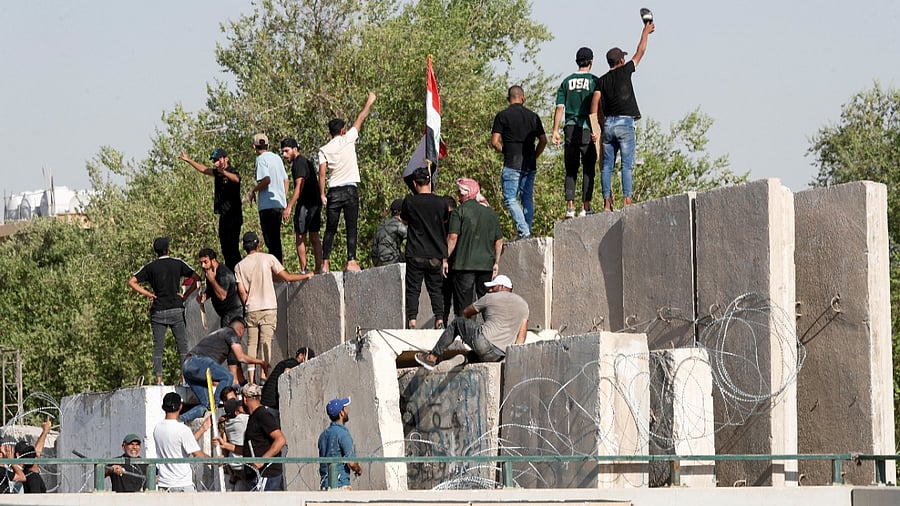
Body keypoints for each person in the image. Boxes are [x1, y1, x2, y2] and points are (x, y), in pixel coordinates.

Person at [235, 231, 312, 384]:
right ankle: (263, 376)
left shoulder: (239, 266)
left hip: (251, 309)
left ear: (244, 247)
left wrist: (248, 304)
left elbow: (242, 291)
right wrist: (306, 275)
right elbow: (287, 277)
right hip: (268, 306)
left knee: (251, 344)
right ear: (258, 244)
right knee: (266, 342)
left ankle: (251, 380)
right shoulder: (268, 259)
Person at [594, 21, 655, 211]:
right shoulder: (626, 70)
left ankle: (606, 204)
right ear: (621, 61)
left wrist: (600, 123)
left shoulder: (602, 80)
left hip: (609, 124)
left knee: (607, 167)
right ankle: (627, 201)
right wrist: (645, 32)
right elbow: (640, 52)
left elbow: (596, 103)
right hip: (625, 123)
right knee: (626, 166)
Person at [127, 237, 201, 385]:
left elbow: (131, 281)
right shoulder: (177, 263)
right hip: (176, 308)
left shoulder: (150, 267)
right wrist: (185, 295)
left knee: (158, 347)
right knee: (182, 345)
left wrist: (148, 294)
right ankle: (184, 379)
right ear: (168, 249)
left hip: (158, 310)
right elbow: (197, 278)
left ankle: (159, 380)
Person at [415, 275, 528, 370]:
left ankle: (432, 357)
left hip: (484, 342)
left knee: (457, 323)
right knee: (477, 355)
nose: (489, 290)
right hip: (499, 355)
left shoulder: (490, 297)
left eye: (492, 287)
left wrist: (465, 331)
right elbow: (521, 337)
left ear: (502, 287)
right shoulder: (523, 305)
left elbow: (466, 312)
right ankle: (463, 359)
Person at [318, 92, 377, 273]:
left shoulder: (324, 149)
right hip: (350, 189)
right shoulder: (348, 139)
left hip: (334, 191)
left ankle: (325, 262)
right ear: (343, 130)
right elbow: (361, 117)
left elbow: (322, 174)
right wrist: (369, 101)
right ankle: (351, 261)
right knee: (352, 227)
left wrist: (322, 194)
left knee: (330, 228)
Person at [179, 317, 270, 423]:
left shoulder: (220, 334)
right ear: (241, 330)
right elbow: (241, 357)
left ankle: (179, 420)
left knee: (206, 406)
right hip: (196, 361)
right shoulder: (231, 333)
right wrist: (261, 362)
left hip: (187, 367)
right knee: (228, 376)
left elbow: (232, 362)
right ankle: (216, 404)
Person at [491, 85, 547, 239]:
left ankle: (524, 231)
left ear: (509, 99)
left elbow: (495, 141)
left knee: (510, 198)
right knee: (527, 198)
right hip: (529, 164)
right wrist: (534, 155)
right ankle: (526, 231)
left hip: (511, 163)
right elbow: (543, 140)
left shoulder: (502, 116)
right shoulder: (533, 116)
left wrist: (505, 151)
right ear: (523, 98)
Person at [551, 47, 601, 219]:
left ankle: (569, 207)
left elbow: (559, 108)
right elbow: (598, 108)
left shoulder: (566, 82)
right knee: (588, 169)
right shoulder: (595, 81)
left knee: (571, 169)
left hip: (570, 128)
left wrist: (555, 130)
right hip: (587, 128)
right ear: (591, 62)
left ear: (576, 61)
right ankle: (585, 207)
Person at [401, 167, 450, 329]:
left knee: (413, 289)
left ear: (415, 183)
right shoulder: (441, 202)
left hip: (415, 253)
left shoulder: (410, 201)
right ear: (430, 181)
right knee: (436, 289)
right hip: (436, 253)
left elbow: (404, 220)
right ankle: (440, 320)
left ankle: (412, 321)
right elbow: (444, 220)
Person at [446, 179, 503, 314]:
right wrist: (496, 263)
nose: (458, 196)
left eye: (459, 193)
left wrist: (444, 259)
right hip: (486, 265)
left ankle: (466, 332)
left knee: (465, 306)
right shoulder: (491, 213)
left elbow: (453, 238)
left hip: (464, 265)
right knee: (486, 304)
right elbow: (499, 241)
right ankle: (489, 330)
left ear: (465, 194)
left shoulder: (458, 212)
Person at [180, 149, 243, 270]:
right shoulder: (217, 172)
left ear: (225, 158)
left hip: (233, 215)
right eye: (214, 161)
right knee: (225, 248)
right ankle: (231, 273)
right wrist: (188, 160)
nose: (216, 163)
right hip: (224, 215)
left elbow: (237, 179)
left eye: (218, 160)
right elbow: (204, 169)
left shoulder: (231, 171)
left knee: (233, 248)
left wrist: (224, 172)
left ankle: (239, 273)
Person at [197, 247, 245, 384]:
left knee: (230, 344)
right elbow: (213, 291)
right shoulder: (210, 273)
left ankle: (234, 379)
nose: (203, 266)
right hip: (226, 315)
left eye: (205, 262)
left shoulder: (222, 273)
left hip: (234, 313)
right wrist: (203, 296)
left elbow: (222, 295)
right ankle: (240, 379)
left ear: (213, 260)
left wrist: (212, 281)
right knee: (230, 345)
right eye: (201, 262)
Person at [281, 138, 324, 273]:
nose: (284, 155)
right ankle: (314, 268)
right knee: (311, 236)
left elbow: (300, 185)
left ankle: (308, 269)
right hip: (313, 202)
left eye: (286, 151)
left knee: (302, 236)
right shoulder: (304, 161)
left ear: (295, 149)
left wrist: (289, 206)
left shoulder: (299, 163)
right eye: (282, 152)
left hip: (308, 204)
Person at [153, 392, 210, 492]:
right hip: (182, 485)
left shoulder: (157, 428)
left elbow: (181, 443)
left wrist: (202, 429)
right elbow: (197, 454)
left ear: (163, 407)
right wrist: (216, 460)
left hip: (164, 485)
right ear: (180, 407)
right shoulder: (183, 430)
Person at [247, 133, 289, 263]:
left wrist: (253, 190)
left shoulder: (260, 160)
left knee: (271, 241)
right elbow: (286, 180)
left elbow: (266, 180)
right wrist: (283, 200)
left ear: (254, 147)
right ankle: (278, 270)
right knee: (276, 240)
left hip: (267, 206)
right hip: (278, 204)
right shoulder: (277, 158)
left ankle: (277, 272)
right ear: (268, 145)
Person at [241, 384, 286, 491]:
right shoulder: (254, 417)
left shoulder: (263, 415)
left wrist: (262, 460)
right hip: (256, 475)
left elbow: (280, 440)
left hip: (266, 474)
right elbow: (251, 446)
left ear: (244, 399)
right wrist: (225, 445)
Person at [318, 397, 362, 490]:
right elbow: (352, 463)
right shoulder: (343, 434)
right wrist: (359, 469)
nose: (347, 410)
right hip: (341, 485)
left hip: (325, 485)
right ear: (341, 413)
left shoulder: (323, 435)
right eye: (345, 408)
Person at [261, 346, 315, 417]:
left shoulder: (286, 362)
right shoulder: (293, 364)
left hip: (267, 403)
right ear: (301, 356)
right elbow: (287, 374)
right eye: (308, 359)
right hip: (272, 405)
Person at [218, 398, 250, 491]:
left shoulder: (227, 423)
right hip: (244, 464)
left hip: (234, 465)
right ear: (236, 412)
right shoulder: (242, 419)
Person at [371, 199, 406, 267]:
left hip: (376, 262)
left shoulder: (382, 224)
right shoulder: (398, 225)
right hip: (390, 260)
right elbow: (414, 237)